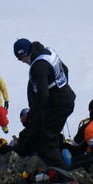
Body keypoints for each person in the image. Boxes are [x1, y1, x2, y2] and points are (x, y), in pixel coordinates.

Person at [14, 38, 76, 166]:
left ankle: (64, 177)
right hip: (67, 98)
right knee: (50, 136)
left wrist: (31, 115)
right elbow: (65, 69)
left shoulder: (38, 66)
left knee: (47, 145)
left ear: (24, 54)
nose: (22, 62)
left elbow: (42, 95)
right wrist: (61, 88)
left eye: (21, 59)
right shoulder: (48, 52)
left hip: (59, 105)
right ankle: (60, 170)